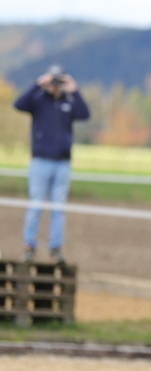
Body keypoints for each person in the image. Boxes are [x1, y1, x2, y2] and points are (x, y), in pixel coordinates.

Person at [13, 65, 90, 263]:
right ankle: (29, 246)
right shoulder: (38, 100)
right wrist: (38, 84)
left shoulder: (69, 101)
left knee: (59, 208)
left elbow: (84, 114)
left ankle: (55, 248)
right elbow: (19, 104)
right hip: (40, 161)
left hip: (62, 163)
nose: (56, 84)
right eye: (54, 80)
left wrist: (75, 90)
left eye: (59, 80)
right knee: (36, 205)